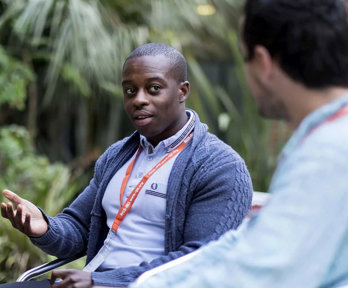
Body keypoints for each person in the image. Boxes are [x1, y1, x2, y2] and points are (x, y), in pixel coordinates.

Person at [129, 1, 348, 288]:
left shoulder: (327, 154)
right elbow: (249, 241)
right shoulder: (328, 139)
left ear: (263, 62)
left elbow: (260, 274)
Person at [0, 43, 253, 288]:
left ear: (182, 91)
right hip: (90, 282)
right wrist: (43, 227)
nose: (138, 100)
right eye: (130, 91)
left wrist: (101, 282)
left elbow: (198, 261)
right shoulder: (117, 156)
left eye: (154, 88)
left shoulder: (220, 167)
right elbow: (78, 229)